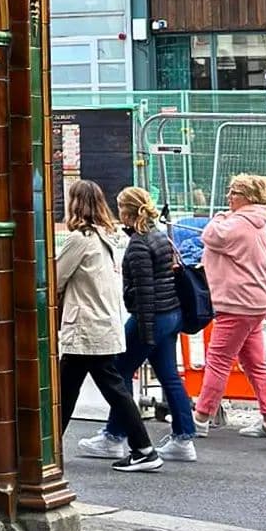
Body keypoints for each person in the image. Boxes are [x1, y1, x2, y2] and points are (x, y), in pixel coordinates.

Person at [79, 185, 197, 468]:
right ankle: (184, 437)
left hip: (151, 317)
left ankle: (115, 436)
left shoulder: (139, 243)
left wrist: (144, 333)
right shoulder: (159, 236)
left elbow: (143, 291)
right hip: (170, 314)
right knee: (169, 375)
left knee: (119, 372)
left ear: (126, 211)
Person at [57, 180, 160, 470]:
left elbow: (55, 277)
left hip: (85, 327)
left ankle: (144, 448)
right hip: (101, 323)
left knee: (102, 389)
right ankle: (143, 448)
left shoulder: (79, 239)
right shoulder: (106, 235)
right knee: (75, 389)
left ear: (76, 204)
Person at [192, 174, 266, 440]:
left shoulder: (236, 223)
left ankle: (201, 417)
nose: (229, 197)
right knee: (254, 362)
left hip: (236, 303)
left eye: (234, 193)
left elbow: (210, 235)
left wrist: (218, 216)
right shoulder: (258, 222)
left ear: (248, 197)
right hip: (256, 301)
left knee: (218, 359)